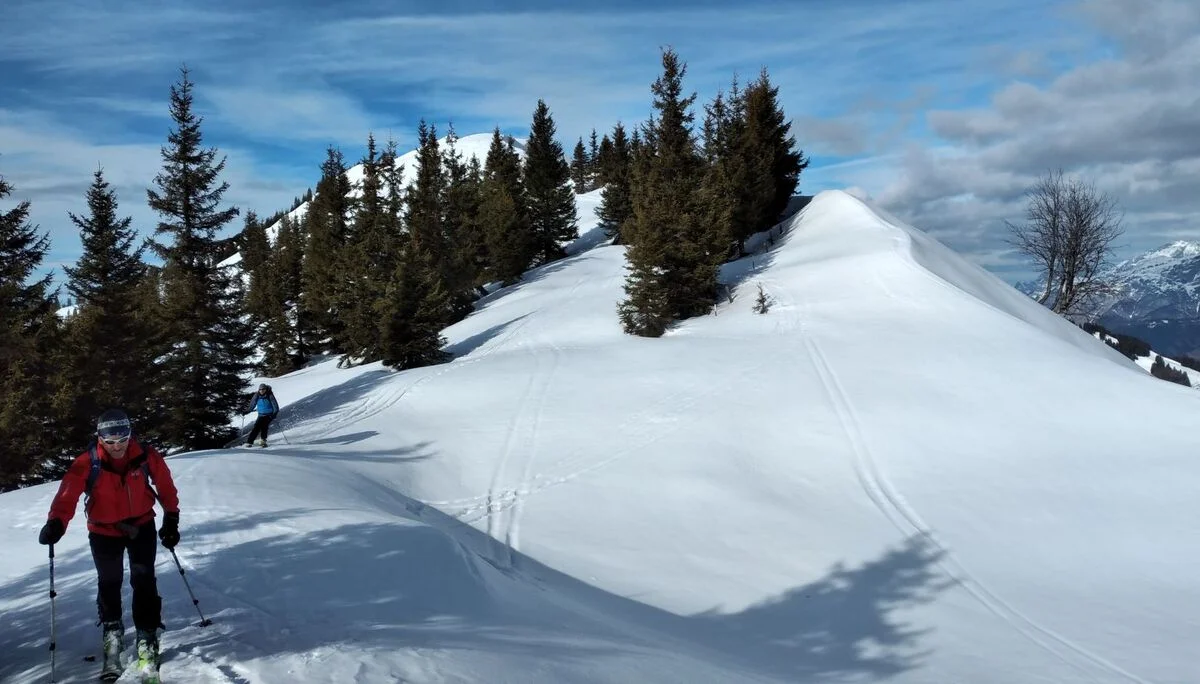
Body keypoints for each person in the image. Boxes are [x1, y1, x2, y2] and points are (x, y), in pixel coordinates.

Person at [38, 408, 180, 678]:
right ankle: (112, 632)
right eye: (110, 440)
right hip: (103, 530)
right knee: (109, 581)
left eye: (123, 438)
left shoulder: (146, 455)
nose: (117, 446)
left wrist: (171, 518)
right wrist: (57, 522)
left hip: (141, 526)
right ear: (100, 438)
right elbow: (67, 493)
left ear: (130, 434)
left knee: (144, 579)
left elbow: (165, 485)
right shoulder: (87, 462)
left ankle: (146, 635)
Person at [245, 383, 280, 447]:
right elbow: (252, 404)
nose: (261, 391)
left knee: (264, 427)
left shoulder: (269, 395)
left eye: (263, 389)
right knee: (256, 427)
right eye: (260, 389)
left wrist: (274, 414)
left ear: (266, 389)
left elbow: (275, 405)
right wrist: (247, 411)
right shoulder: (256, 395)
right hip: (260, 414)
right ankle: (249, 442)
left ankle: (263, 441)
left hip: (269, 414)